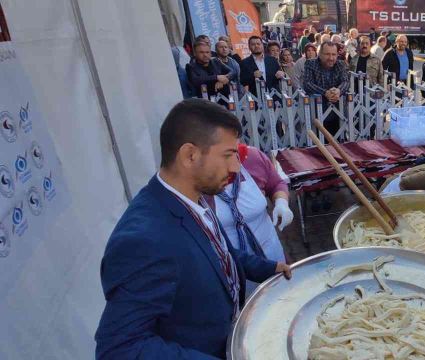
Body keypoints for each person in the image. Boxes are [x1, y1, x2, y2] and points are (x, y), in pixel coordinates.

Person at [94, 99, 292, 359]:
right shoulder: (145, 240)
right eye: (228, 155)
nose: (235, 167)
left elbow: (216, 251)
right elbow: (119, 349)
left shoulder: (192, 196)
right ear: (190, 155)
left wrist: (267, 267)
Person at [211, 144, 292, 292]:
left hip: (270, 251)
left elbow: (276, 184)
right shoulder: (197, 179)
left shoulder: (252, 157)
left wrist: (281, 202)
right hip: (233, 264)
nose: (235, 166)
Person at [303, 41, 350, 134]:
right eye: (327, 54)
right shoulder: (310, 64)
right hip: (316, 114)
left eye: (334, 54)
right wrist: (325, 93)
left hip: (338, 113)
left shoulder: (341, 64)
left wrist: (338, 91)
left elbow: (346, 81)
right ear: (319, 54)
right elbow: (307, 84)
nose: (331, 58)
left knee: (339, 143)